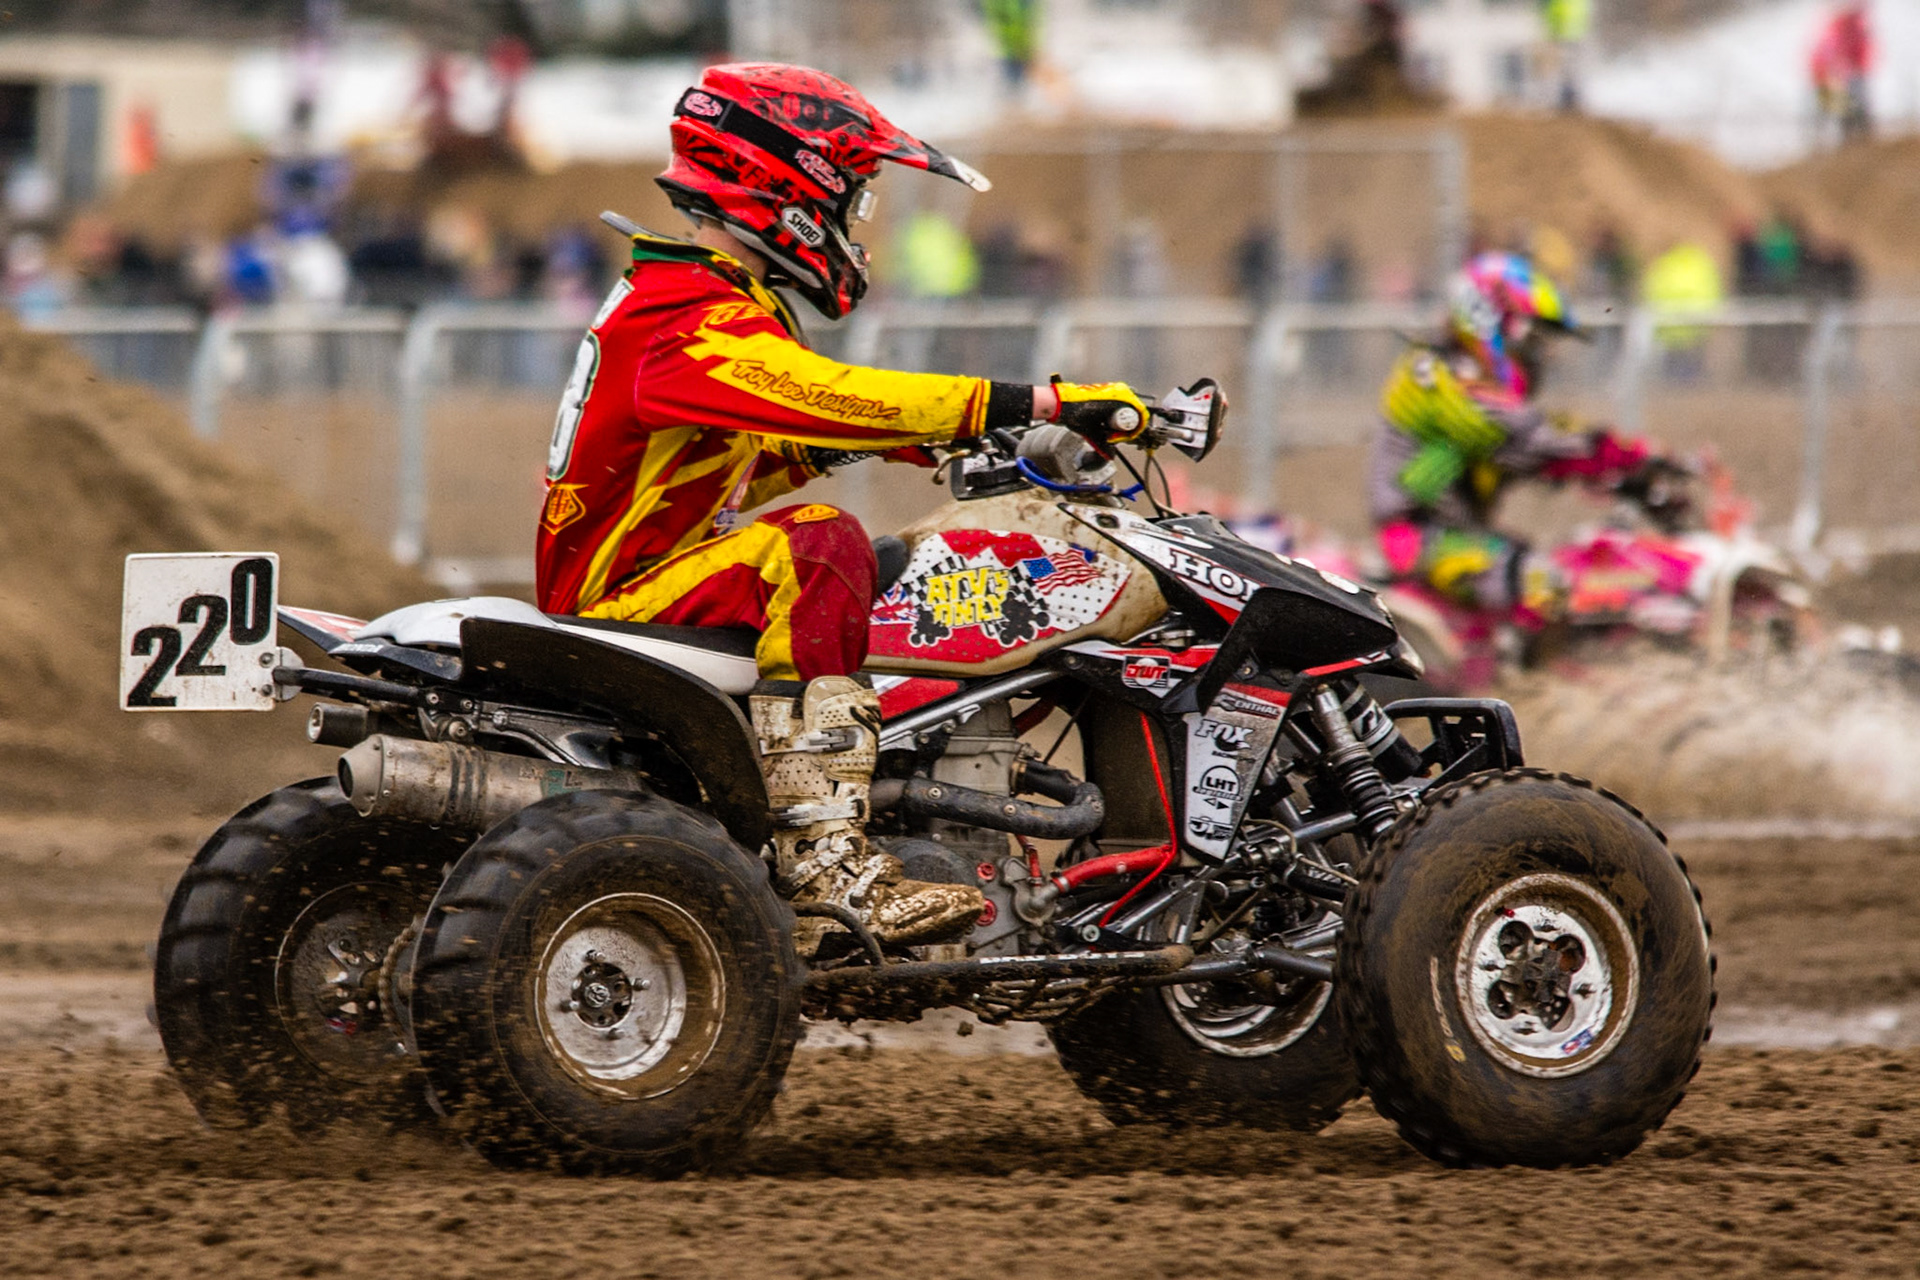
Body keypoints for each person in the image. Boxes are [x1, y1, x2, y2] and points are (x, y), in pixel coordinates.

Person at [534, 63, 1150, 950]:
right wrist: (1038, 402)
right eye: (851, 198)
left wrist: (925, 441)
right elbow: (834, 393)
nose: (854, 224)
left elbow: (747, 463)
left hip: (648, 575)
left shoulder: (688, 299)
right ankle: (823, 864)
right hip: (624, 595)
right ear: (791, 187)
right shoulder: (686, 312)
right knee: (818, 545)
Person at [1369, 251, 1650, 631]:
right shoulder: (1429, 374)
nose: (1541, 356)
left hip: (1459, 536)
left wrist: (1632, 466)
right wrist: (1620, 455)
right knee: (1544, 582)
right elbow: (1519, 434)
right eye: (1534, 340)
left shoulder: (1461, 376)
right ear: (1490, 321)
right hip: (1418, 542)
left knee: (1590, 557)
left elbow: (1541, 435)